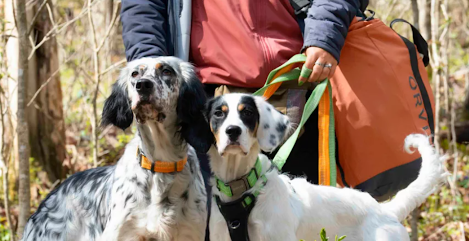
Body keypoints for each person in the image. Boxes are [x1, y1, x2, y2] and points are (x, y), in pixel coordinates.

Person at [120, 0, 368, 238]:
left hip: (301, 84)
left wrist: (325, 33)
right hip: (208, 103)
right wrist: (152, 70)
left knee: (306, 229)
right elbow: (143, 6)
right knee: (205, 229)